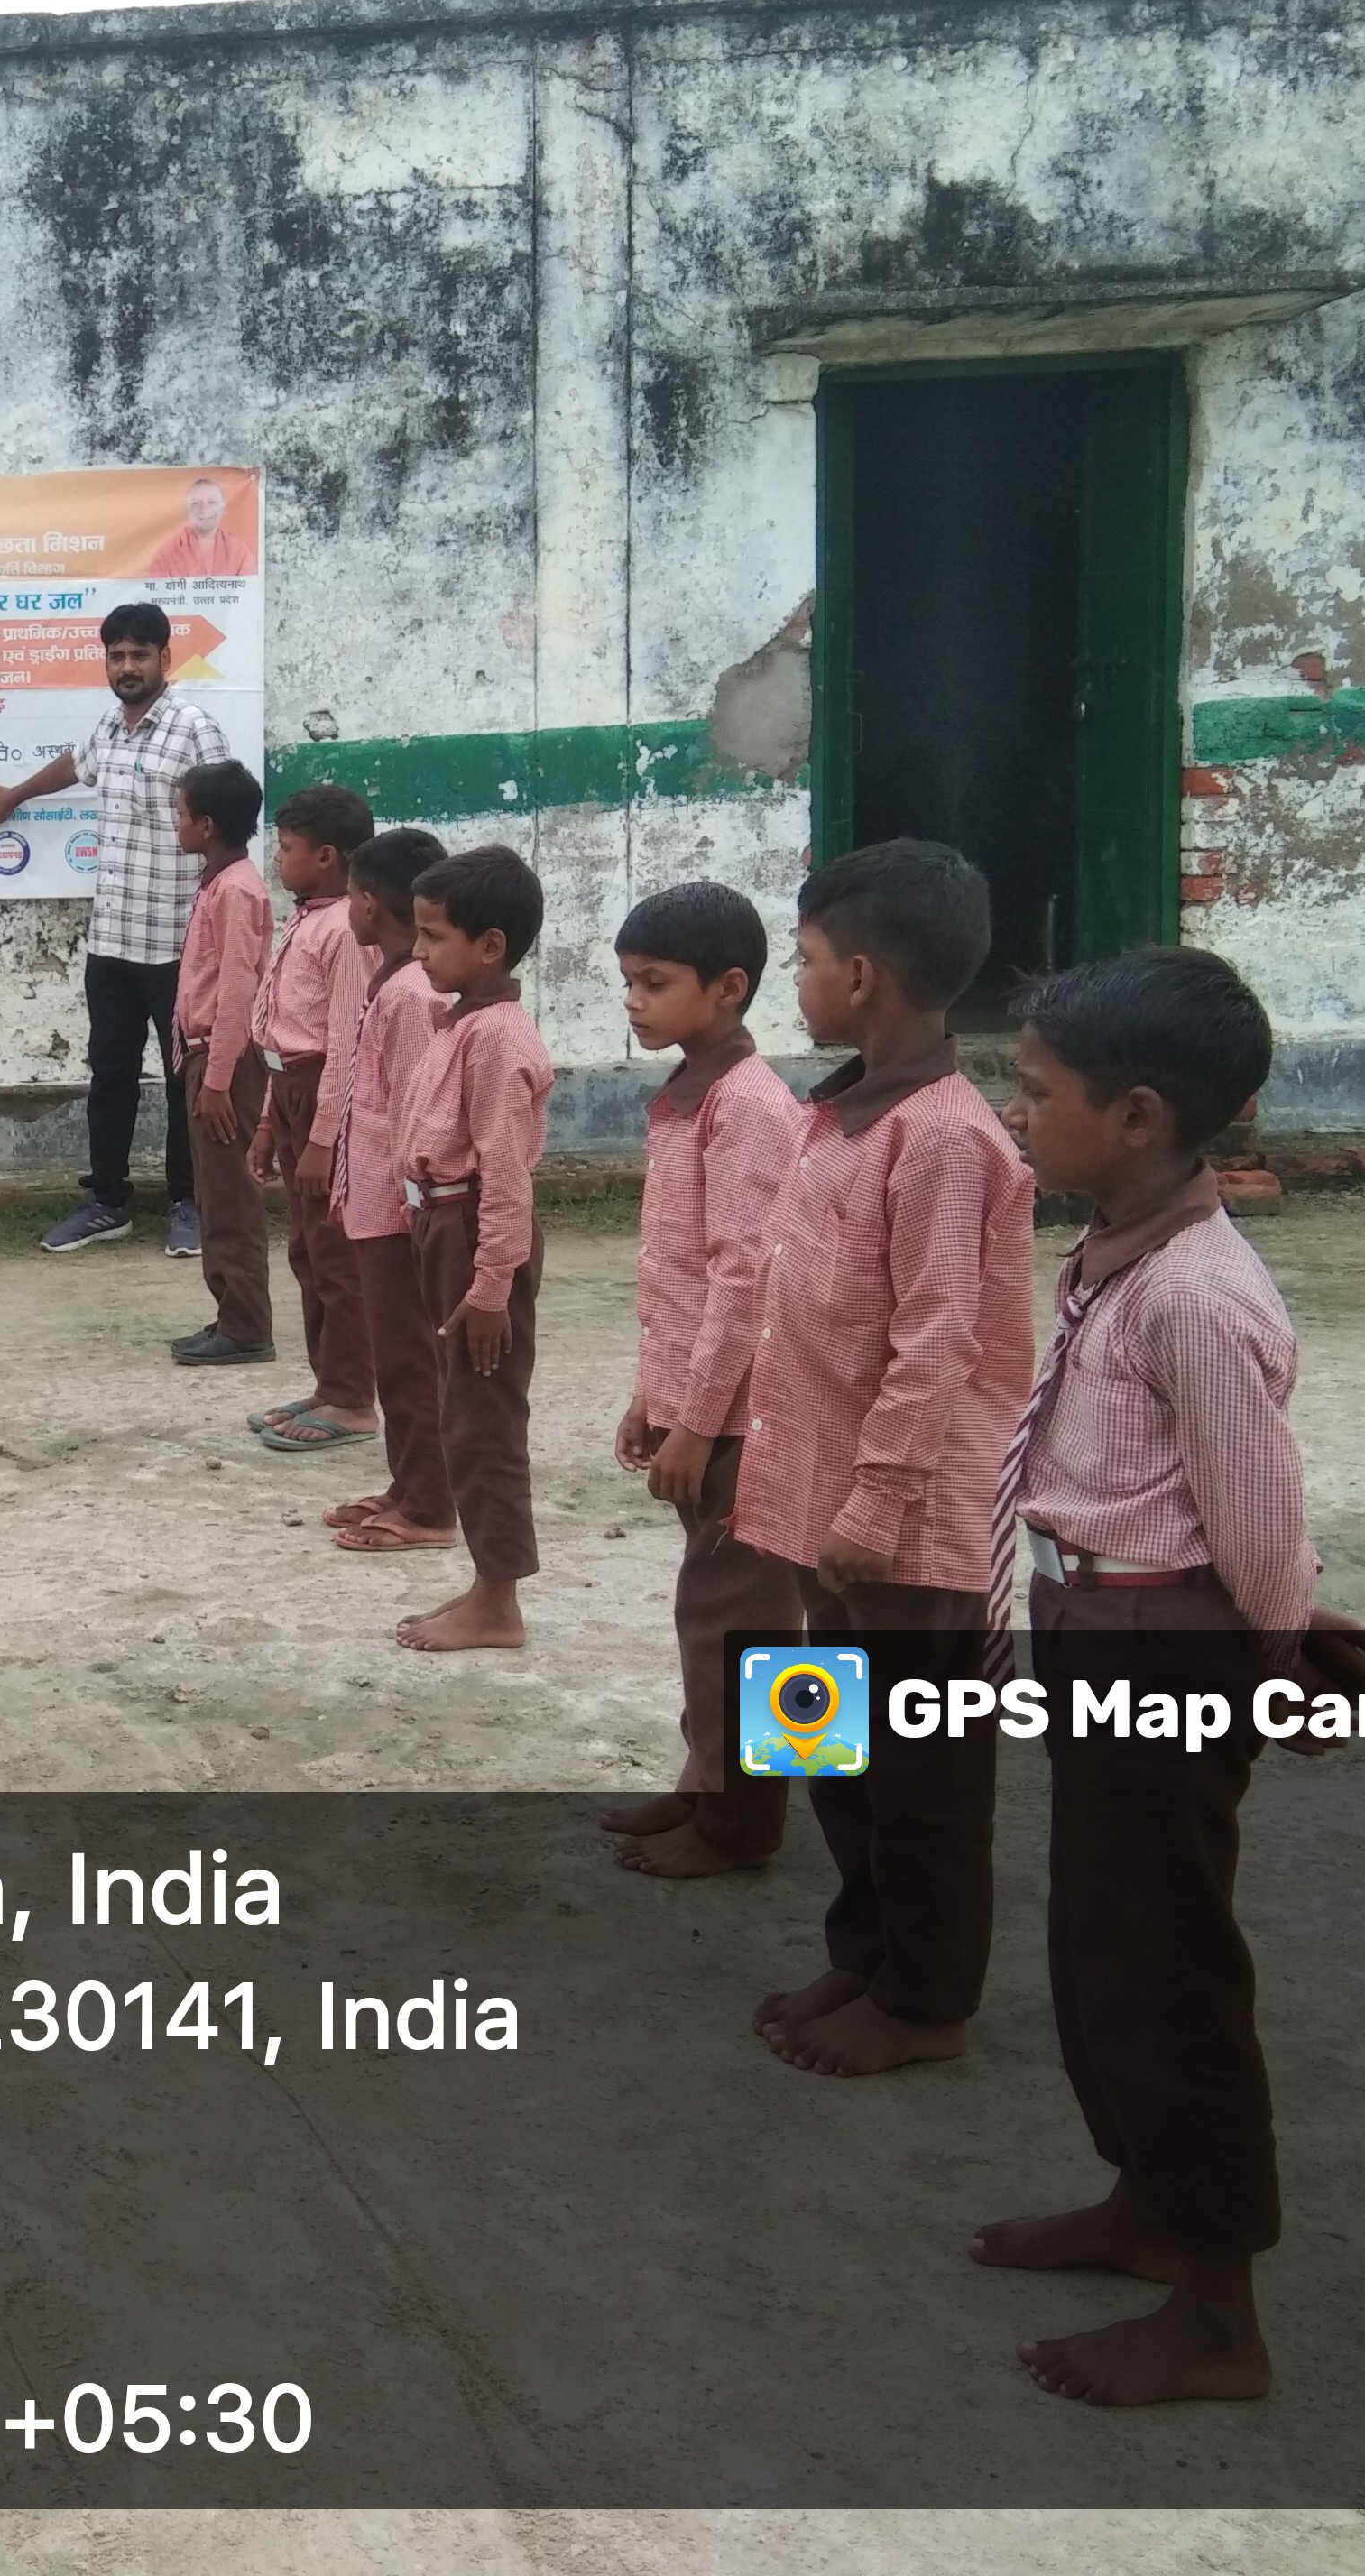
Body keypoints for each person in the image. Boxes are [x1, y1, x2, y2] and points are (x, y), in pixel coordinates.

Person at [974, 944, 1365, 2403]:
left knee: (1164, 1966)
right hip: (1101, 1629)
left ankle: (1218, 2307)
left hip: (1161, 1651)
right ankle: (1145, 2202)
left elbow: (1257, 1516)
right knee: (1101, 1941)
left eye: (1036, 1090)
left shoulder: (1198, 1297)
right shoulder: (1121, 1249)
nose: (1016, 1110)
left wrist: (1278, 1649)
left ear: (1138, 1115)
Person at [734, 837, 1037, 2080]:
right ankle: (862, 1951)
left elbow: (939, 1341)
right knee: (826, 1749)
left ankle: (927, 1998)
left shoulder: (947, 1139)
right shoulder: (838, 1112)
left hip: (901, 1526)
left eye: (804, 959)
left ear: (861, 976)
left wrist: (878, 1501)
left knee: (924, 1777)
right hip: (814, 1499)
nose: (796, 980)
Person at [598, 882, 807, 1879]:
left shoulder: (749, 1106)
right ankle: (708, 1781)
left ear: (728, 989)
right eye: (628, 982)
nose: (633, 1001)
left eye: (655, 983)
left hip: (752, 1419)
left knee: (749, 1621)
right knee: (716, 1608)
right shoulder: (693, 1091)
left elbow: (745, 1277)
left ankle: (747, 1822)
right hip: (710, 1406)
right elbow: (680, 1278)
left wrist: (700, 1423)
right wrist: (657, 1396)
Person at [0, 600, 226, 1255]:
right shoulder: (109, 726)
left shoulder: (195, 730)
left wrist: (223, 919)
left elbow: (223, 823)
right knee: (110, 1075)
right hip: (111, 942)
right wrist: (14, 795)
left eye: (140, 654)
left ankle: (189, 1201)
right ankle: (107, 1202)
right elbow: (74, 764)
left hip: (178, 942)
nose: (128, 666)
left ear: (166, 658)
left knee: (184, 1077)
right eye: (117, 655)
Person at [391, 846, 555, 1656]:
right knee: (461, 1409)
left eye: (433, 936)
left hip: (475, 1235)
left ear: (490, 946)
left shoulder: (496, 1041)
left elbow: (506, 1175)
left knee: (483, 1417)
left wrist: (491, 1287)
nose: (418, 951)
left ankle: (499, 1600)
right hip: (445, 1228)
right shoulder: (463, 1022)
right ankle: (488, 1582)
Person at [320, 829, 456, 1556]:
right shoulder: (395, 981)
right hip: (376, 1203)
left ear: (369, 903)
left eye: (350, 895)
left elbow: (414, 1111)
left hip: (400, 1211)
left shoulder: (410, 994)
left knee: (408, 1358)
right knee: (395, 1353)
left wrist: (409, 1210)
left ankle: (430, 1505)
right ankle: (408, 1484)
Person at [248, 784, 380, 1452]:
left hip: (325, 1098)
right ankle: (329, 1383)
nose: (278, 859)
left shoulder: (346, 933)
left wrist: (324, 1139)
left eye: (287, 848)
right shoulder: (307, 918)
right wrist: (269, 1123)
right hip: (290, 1090)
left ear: (326, 856)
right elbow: (282, 1036)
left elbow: (345, 1045)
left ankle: (354, 1399)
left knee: (335, 1255)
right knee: (306, 1250)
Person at [168, 757, 276, 1366]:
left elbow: (238, 989)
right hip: (209, 1057)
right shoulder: (220, 883)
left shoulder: (235, 889)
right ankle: (231, 1311)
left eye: (181, 814)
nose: (176, 824)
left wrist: (216, 1079)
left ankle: (246, 1325)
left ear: (206, 825)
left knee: (230, 1195)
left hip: (225, 1062)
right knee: (214, 1192)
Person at [146, 473, 254, 580]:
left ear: (223, 509)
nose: (204, 510)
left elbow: (250, 589)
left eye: (211, 502)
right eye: (196, 503)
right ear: (186, 511)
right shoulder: (166, 555)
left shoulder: (240, 553)